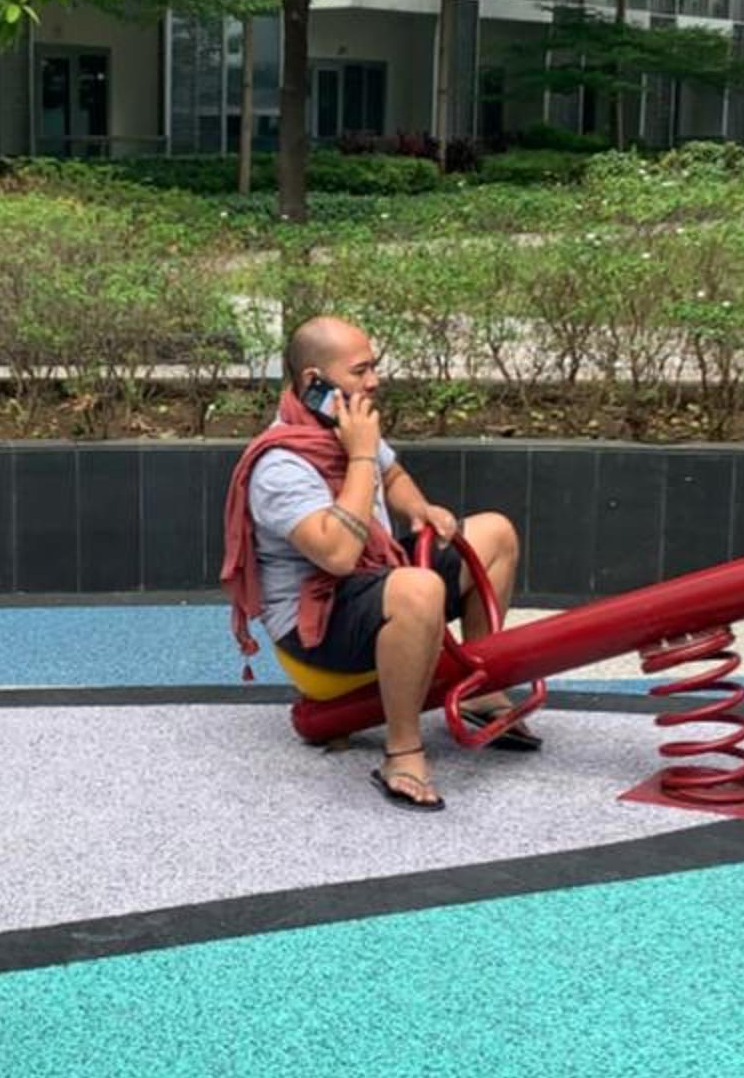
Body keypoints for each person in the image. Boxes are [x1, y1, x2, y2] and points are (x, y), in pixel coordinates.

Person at [221, 314, 534, 811]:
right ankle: (403, 752)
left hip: (372, 580)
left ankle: (480, 690)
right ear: (314, 381)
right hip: (314, 626)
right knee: (418, 588)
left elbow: (392, 476)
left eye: (374, 367)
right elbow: (338, 555)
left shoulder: (343, 424)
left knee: (494, 532)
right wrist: (361, 456)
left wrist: (420, 507)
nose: (374, 381)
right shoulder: (280, 465)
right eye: (360, 371)